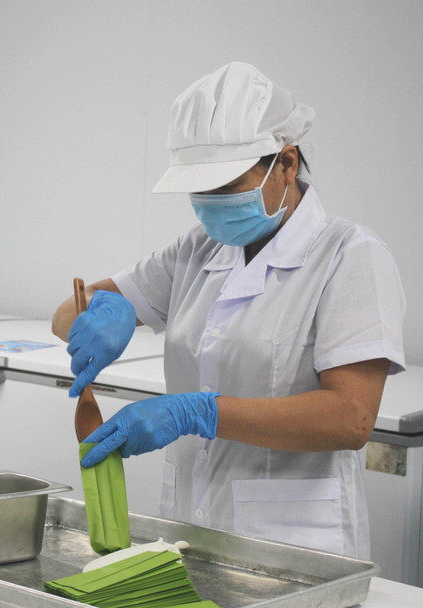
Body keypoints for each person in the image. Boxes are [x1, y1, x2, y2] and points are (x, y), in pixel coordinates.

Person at [51, 62, 405, 559]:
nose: (211, 204)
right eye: (201, 189)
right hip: (189, 530)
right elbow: (66, 314)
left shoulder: (350, 255)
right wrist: (102, 313)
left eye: (227, 185)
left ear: (285, 162)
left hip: (291, 542)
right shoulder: (199, 249)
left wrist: (199, 411)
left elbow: (350, 418)